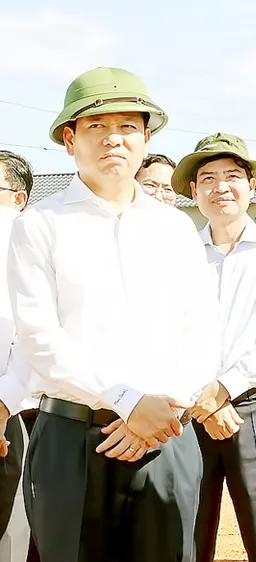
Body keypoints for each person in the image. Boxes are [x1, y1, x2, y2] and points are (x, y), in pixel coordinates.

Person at [6, 66, 219, 561]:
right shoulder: (39, 225)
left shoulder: (175, 228)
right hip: (73, 439)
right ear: (69, 139)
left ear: (146, 139)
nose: (113, 139)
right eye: (96, 126)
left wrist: (162, 410)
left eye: (127, 127)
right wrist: (125, 401)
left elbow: (202, 330)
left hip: (166, 438)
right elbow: (39, 338)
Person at [174, 133, 256, 562]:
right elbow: (167, 334)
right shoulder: (177, 254)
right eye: (208, 178)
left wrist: (223, 389)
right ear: (194, 191)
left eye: (231, 176)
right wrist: (204, 398)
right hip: (189, 412)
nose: (220, 187)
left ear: (251, 185)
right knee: (186, 539)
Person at [0, 150, 33, 562]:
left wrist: (3, 404)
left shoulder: (24, 252)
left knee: (10, 537)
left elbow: (30, 341)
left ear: (18, 199)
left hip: (9, 415)